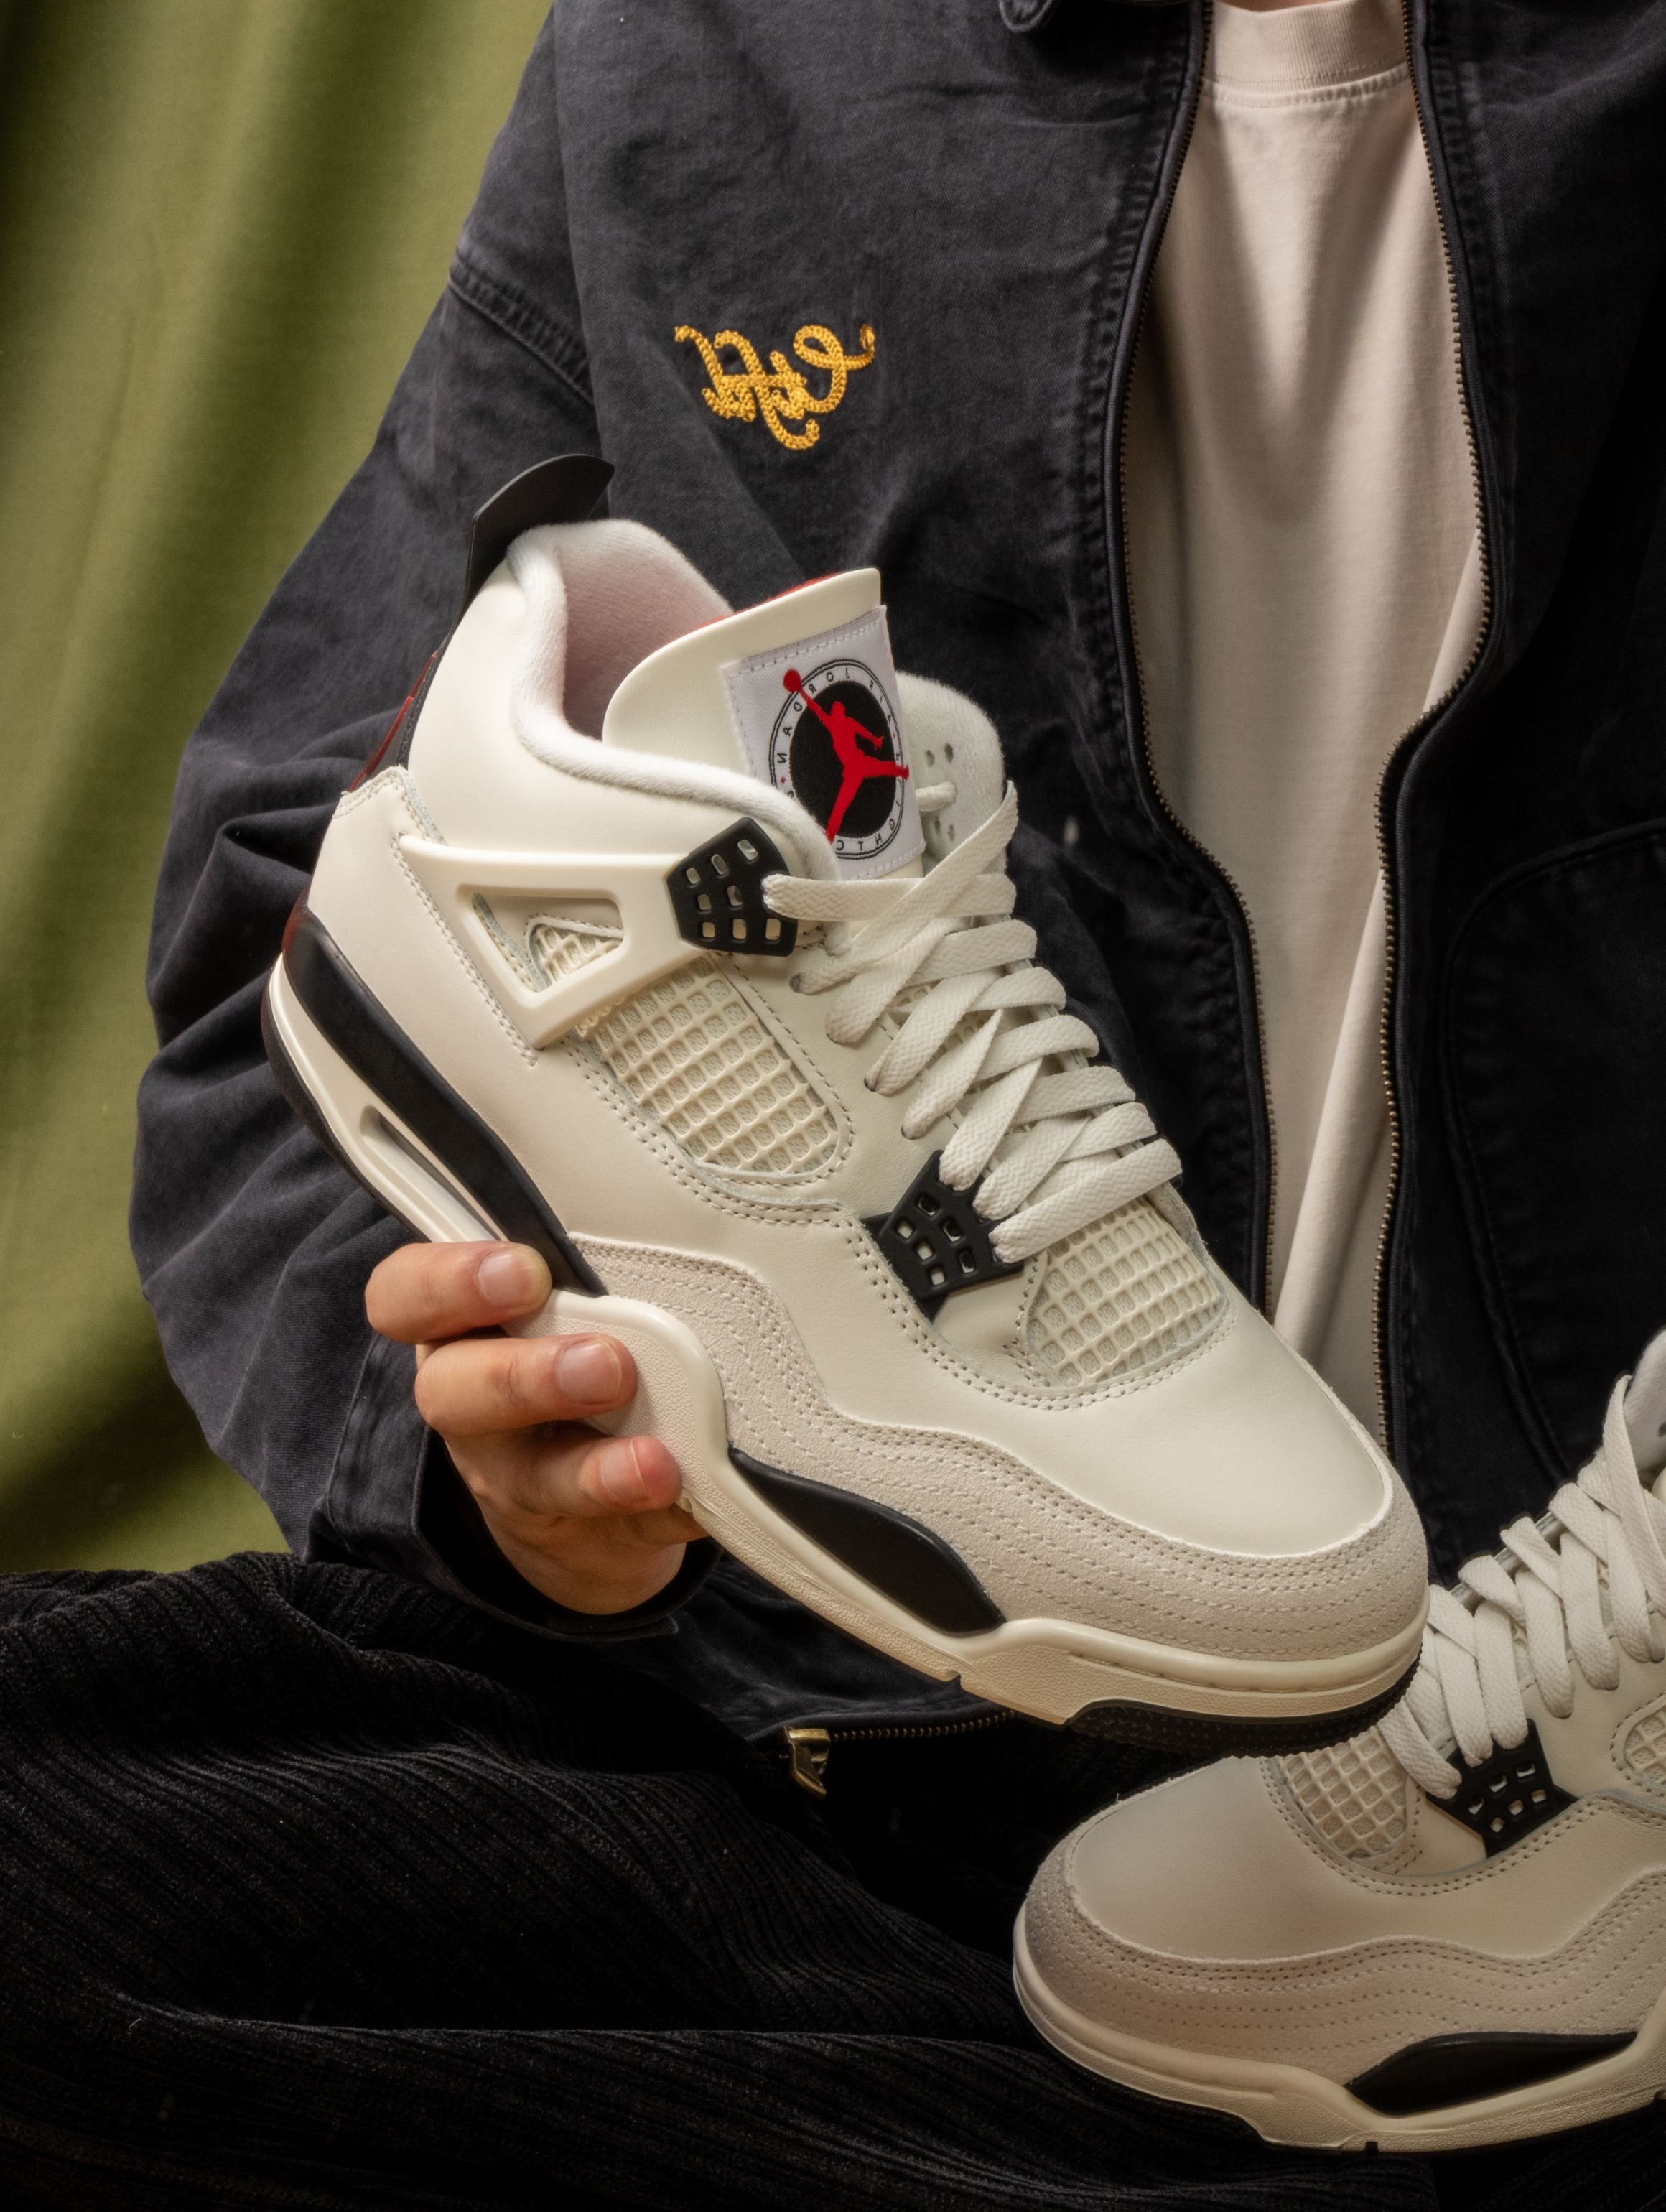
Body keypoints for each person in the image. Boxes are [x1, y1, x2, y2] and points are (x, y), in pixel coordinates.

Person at [2, 0, 1660, 2202]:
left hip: (1559, 1731)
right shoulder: (708, 61)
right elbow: (319, 919)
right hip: (837, 1753)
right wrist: (515, 1484)